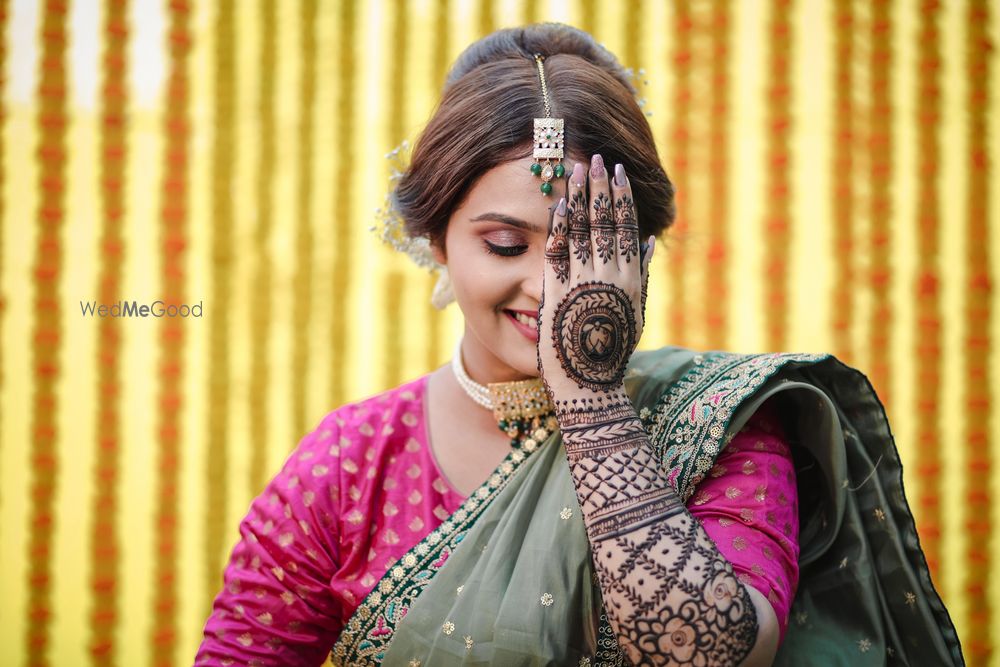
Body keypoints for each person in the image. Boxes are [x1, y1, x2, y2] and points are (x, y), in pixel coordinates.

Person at [195, 23, 962, 666]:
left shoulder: (719, 427)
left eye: (586, 245)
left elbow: (707, 654)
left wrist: (590, 400)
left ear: (643, 249)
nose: (552, 287)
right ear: (437, 241)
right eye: (505, 245)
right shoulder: (351, 463)